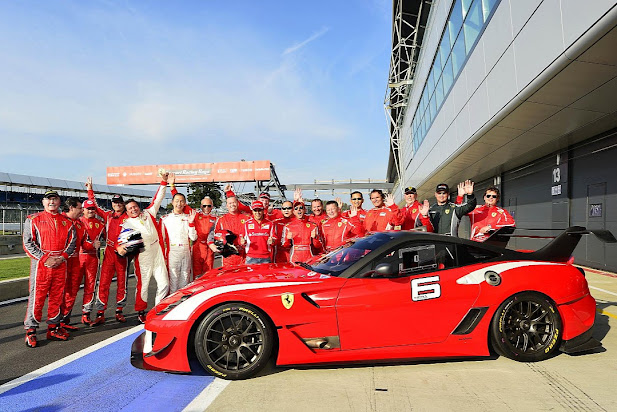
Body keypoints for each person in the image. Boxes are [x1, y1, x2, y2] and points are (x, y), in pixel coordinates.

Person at [23, 190, 77, 348]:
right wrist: (46, 258)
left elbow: (72, 243)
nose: (52, 202)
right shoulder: (33, 219)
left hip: (60, 264)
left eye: (55, 199)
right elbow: (28, 243)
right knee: (37, 298)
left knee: (57, 297)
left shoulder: (67, 222)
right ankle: (31, 331)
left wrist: (61, 258)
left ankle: (53, 328)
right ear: (43, 202)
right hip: (41, 265)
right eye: (48, 199)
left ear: (60, 202)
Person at [116, 175, 169, 323]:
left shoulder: (148, 213)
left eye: (135, 206)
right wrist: (120, 247)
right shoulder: (126, 224)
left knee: (164, 283)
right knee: (143, 285)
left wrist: (163, 181)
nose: (133, 209)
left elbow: (158, 198)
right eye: (130, 208)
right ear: (126, 211)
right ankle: (141, 311)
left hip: (157, 250)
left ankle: (160, 308)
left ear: (138, 207)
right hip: (142, 255)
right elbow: (119, 241)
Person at [87, 178, 130, 326]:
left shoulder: (129, 217)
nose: (117, 204)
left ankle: (119, 311)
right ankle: (100, 312)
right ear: (112, 204)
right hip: (109, 252)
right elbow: (96, 207)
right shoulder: (108, 215)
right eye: (114, 202)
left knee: (122, 283)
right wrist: (90, 190)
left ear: (123, 204)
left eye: (119, 202)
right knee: (103, 283)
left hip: (123, 254)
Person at [168, 175, 219, 277]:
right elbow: (180, 202)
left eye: (209, 206)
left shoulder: (217, 219)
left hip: (209, 248)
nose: (206, 208)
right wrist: (172, 186)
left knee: (209, 274)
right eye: (204, 206)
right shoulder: (195, 214)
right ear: (201, 206)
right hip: (197, 247)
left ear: (212, 207)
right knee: (196, 274)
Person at [59, 197, 90, 331]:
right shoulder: (59, 220)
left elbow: (85, 244)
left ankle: (65, 319)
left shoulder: (80, 224)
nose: (82, 211)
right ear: (71, 208)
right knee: (58, 292)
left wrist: (92, 244)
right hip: (61, 262)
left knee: (72, 291)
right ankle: (55, 323)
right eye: (80, 208)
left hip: (75, 261)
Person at [161, 192, 197, 293]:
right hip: (173, 251)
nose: (179, 203)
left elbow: (193, 237)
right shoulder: (165, 219)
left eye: (181, 201)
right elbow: (161, 239)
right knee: (173, 280)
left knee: (185, 279)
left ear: (185, 203)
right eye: (177, 201)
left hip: (185, 250)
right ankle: (173, 304)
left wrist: (191, 223)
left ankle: (183, 303)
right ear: (172, 202)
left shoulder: (188, 217)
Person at [79, 199, 105, 325]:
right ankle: (63, 316)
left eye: (92, 209)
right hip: (77, 258)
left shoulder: (100, 224)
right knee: (71, 288)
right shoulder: (77, 221)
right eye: (88, 209)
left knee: (90, 286)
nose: (90, 211)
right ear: (83, 209)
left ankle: (86, 313)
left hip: (93, 258)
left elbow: (109, 237)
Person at [214, 195, 250, 266]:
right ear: (227, 205)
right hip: (228, 257)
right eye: (230, 203)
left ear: (237, 203)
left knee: (243, 276)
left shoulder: (246, 218)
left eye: (234, 203)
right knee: (229, 276)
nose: (232, 205)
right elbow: (215, 236)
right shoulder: (221, 219)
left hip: (243, 255)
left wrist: (245, 241)